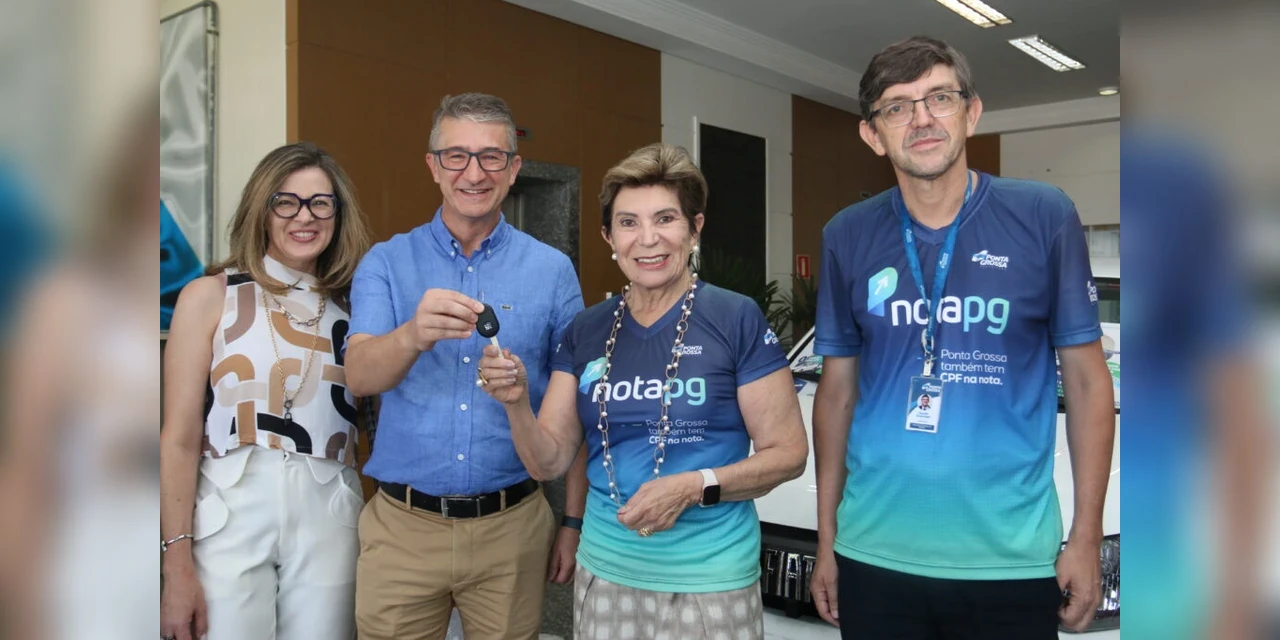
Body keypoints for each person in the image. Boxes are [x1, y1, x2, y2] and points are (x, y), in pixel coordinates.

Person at [807, 36, 1116, 639]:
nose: (922, 119)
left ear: (971, 112)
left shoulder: (1043, 215)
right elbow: (836, 393)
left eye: (939, 98)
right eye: (897, 107)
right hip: (873, 555)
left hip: (1010, 559)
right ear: (873, 134)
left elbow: (1086, 381)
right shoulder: (847, 234)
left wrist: (1085, 537)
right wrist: (827, 541)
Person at [476, 142, 808, 640]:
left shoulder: (734, 317)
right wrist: (518, 404)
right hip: (606, 572)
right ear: (609, 236)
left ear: (695, 228)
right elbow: (548, 462)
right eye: (628, 223)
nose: (647, 239)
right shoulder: (587, 329)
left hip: (709, 579)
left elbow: (788, 454)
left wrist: (693, 486)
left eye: (665, 219)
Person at [344, 92, 587, 640]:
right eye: (456, 155)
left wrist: (572, 522)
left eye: (491, 156)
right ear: (433, 166)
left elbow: (573, 406)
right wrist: (412, 334)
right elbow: (359, 376)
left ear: (513, 169)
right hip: (403, 529)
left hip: (512, 529)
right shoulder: (386, 262)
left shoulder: (553, 271)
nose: (473, 173)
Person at [160, 142, 375, 640]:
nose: (305, 216)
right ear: (262, 208)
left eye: (320, 203)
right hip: (227, 508)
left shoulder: (360, 307)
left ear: (338, 214)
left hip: (331, 513)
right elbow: (178, 438)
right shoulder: (212, 295)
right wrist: (175, 562)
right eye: (286, 201)